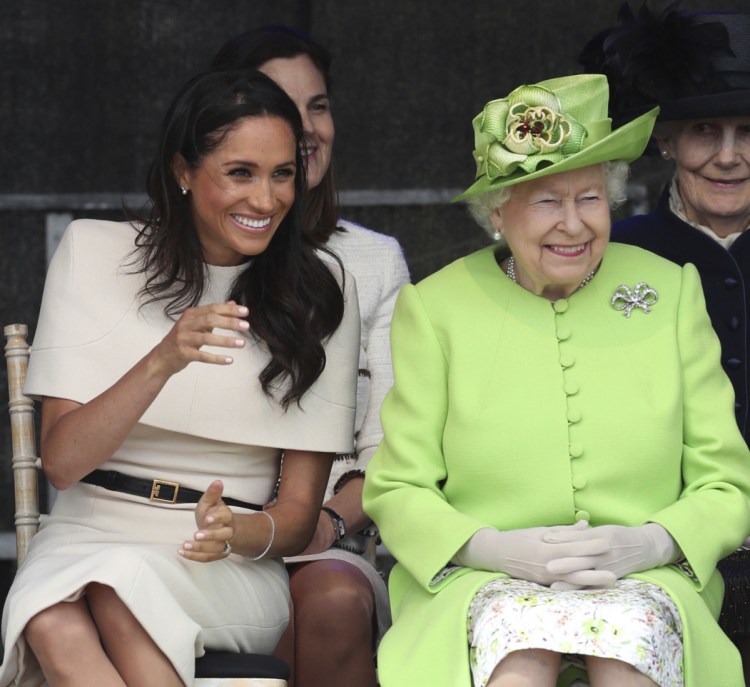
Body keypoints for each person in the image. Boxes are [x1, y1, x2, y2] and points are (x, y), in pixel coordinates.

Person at [363, 73, 750, 687]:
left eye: (589, 199)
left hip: (643, 579)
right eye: (546, 201)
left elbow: (726, 480)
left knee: (628, 653)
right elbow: (397, 489)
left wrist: (651, 544)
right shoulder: (436, 308)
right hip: (482, 580)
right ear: (497, 211)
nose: (572, 225)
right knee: (518, 662)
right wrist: (492, 549)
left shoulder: (670, 290)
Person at [0, 69, 360, 687]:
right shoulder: (93, 252)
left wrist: (239, 532)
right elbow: (61, 463)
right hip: (87, 531)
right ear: (184, 170)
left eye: (282, 174)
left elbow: (299, 515)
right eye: (240, 172)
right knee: (52, 620)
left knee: (114, 595)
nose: (267, 200)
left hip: (226, 561)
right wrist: (163, 359)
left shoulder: (320, 292)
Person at [210, 25, 409, 687]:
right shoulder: (181, 260)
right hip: (200, 530)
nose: (307, 126)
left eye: (318, 105)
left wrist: (323, 522)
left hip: (326, 535)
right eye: (282, 106)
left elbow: (394, 443)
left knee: (329, 600)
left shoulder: (374, 262)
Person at [579, 1, 750, 665]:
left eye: (747, 130)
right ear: (665, 138)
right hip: (655, 548)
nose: (730, 156)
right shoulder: (609, 254)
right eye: (706, 129)